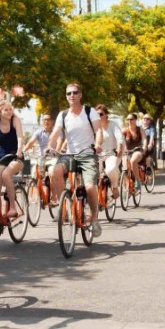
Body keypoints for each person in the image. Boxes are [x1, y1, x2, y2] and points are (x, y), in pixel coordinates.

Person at [45, 83, 104, 237]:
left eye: (75, 92)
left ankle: (94, 219)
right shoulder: (63, 115)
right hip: (70, 154)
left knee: (89, 187)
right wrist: (49, 147)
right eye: (69, 93)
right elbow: (55, 133)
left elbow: (98, 130)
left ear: (80, 95)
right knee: (55, 171)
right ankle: (65, 207)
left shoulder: (90, 111)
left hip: (87, 154)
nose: (72, 95)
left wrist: (98, 144)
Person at [95, 104, 123, 201]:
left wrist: (119, 148)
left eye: (101, 114)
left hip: (112, 154)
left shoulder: (113, 125)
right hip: (98, 156)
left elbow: (120, 138)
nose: (99, 116)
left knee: (110, 170)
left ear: (106, 114)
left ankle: (114, 187)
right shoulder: (94, 126)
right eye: (96, 115)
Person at [122, 113, 147, 190]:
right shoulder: (124, 130)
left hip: (137, 150)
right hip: (127, 151)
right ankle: (125, 186)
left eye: (131, 119)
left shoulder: (140, 129)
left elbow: (144, 139)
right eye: (128, 119)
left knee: (133, 161)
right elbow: (120, 140)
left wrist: (144, 147)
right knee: (124, 167)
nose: (129, 121)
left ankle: (137, 181)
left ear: (136, 120)